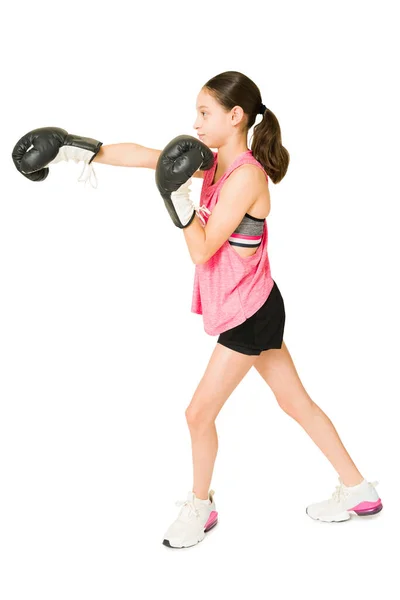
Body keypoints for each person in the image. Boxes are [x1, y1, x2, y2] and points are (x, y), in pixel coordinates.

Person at [12, 71, 383, 551]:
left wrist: (177, 198)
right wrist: (76, 148)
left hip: (249, 314)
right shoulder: (211, 164)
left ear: (236, 116)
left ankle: (200, 506)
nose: (196, 122)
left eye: (205, 113)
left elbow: (203, 249)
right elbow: (148, 156)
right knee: (295, 403)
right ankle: (359, 491)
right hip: (254, 304)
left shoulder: (246, 175)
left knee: (197, 413)